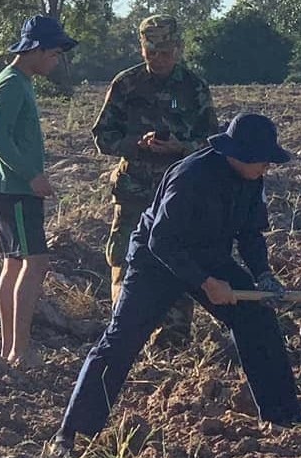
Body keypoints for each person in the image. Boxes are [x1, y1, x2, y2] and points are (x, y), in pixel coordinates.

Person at [54, 114, 301, 455]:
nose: (266, 168)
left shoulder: (252, 177)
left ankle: (284, 417)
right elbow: (162, 242)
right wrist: (205, 283)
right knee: (122, 339)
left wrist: (262, 275)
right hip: (155, 261)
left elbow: (250, 233)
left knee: (257, 318)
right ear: (239, 154)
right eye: (262, 161)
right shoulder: (191, 177)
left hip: (209, 254)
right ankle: (72, 437)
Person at [91, 15, 219, 308]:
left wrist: (181, 147)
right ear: (141, 49)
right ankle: (123, 334)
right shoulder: (126, 84)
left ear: (179, 49)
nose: (159, 59)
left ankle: (170, 344)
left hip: (179, 194)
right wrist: (136, 144)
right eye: (152, 53)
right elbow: (102, 136)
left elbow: (213, 142)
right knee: (124, 264)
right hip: (134, 191)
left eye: (165, 53)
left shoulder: (193, 87)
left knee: (178, 265)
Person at [0, 14, 76, 371]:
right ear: (35, 49)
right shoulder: (11, 83)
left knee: (15, 264)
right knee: (35, 263)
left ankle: (10, 351)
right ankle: (20, 352)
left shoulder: (21, 81)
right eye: (53, 53)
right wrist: (32, 175)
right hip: (14, 189)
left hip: (10, 187)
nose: (56, 61)